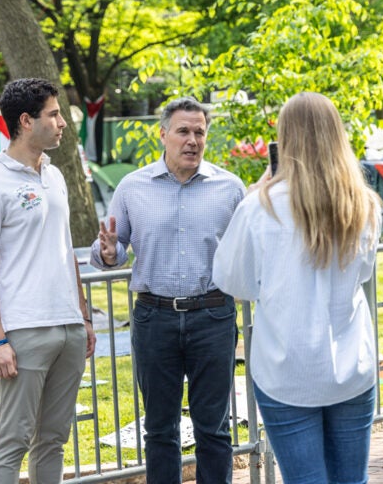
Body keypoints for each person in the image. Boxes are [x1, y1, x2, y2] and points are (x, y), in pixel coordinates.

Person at [212, 92, 382, 484]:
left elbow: (231, 280)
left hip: (286, 367)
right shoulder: (364, 205)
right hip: (351, 362)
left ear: (285, 140)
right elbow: (363, 273)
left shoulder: (260, 208)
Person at [91, 96, 245, 484]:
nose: (192, 140)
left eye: (199, 132)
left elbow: (248, 251)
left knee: (214, 428)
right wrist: (109, 252)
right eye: (183, 131)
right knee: (159, 428)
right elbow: (112, 249)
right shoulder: (132, 187)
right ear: (163, 135)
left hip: (213, 315)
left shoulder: (230, 188)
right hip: (154, 317)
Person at [0, 77, 96, 484]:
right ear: (25, 121)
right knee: (12, 441)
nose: (62, 123)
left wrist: (84, 317)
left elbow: (66, 249)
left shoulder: (54, 175)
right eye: (54, 114)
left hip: (69, 327)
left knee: (53, 439)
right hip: (23, 331)